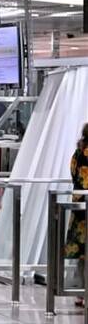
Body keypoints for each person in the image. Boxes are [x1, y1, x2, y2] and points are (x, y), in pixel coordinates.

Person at [66, 123, 88, 308]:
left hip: (79, 206)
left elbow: (74, 175)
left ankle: (81, 292)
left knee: (82, 253)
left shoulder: (78, 152)